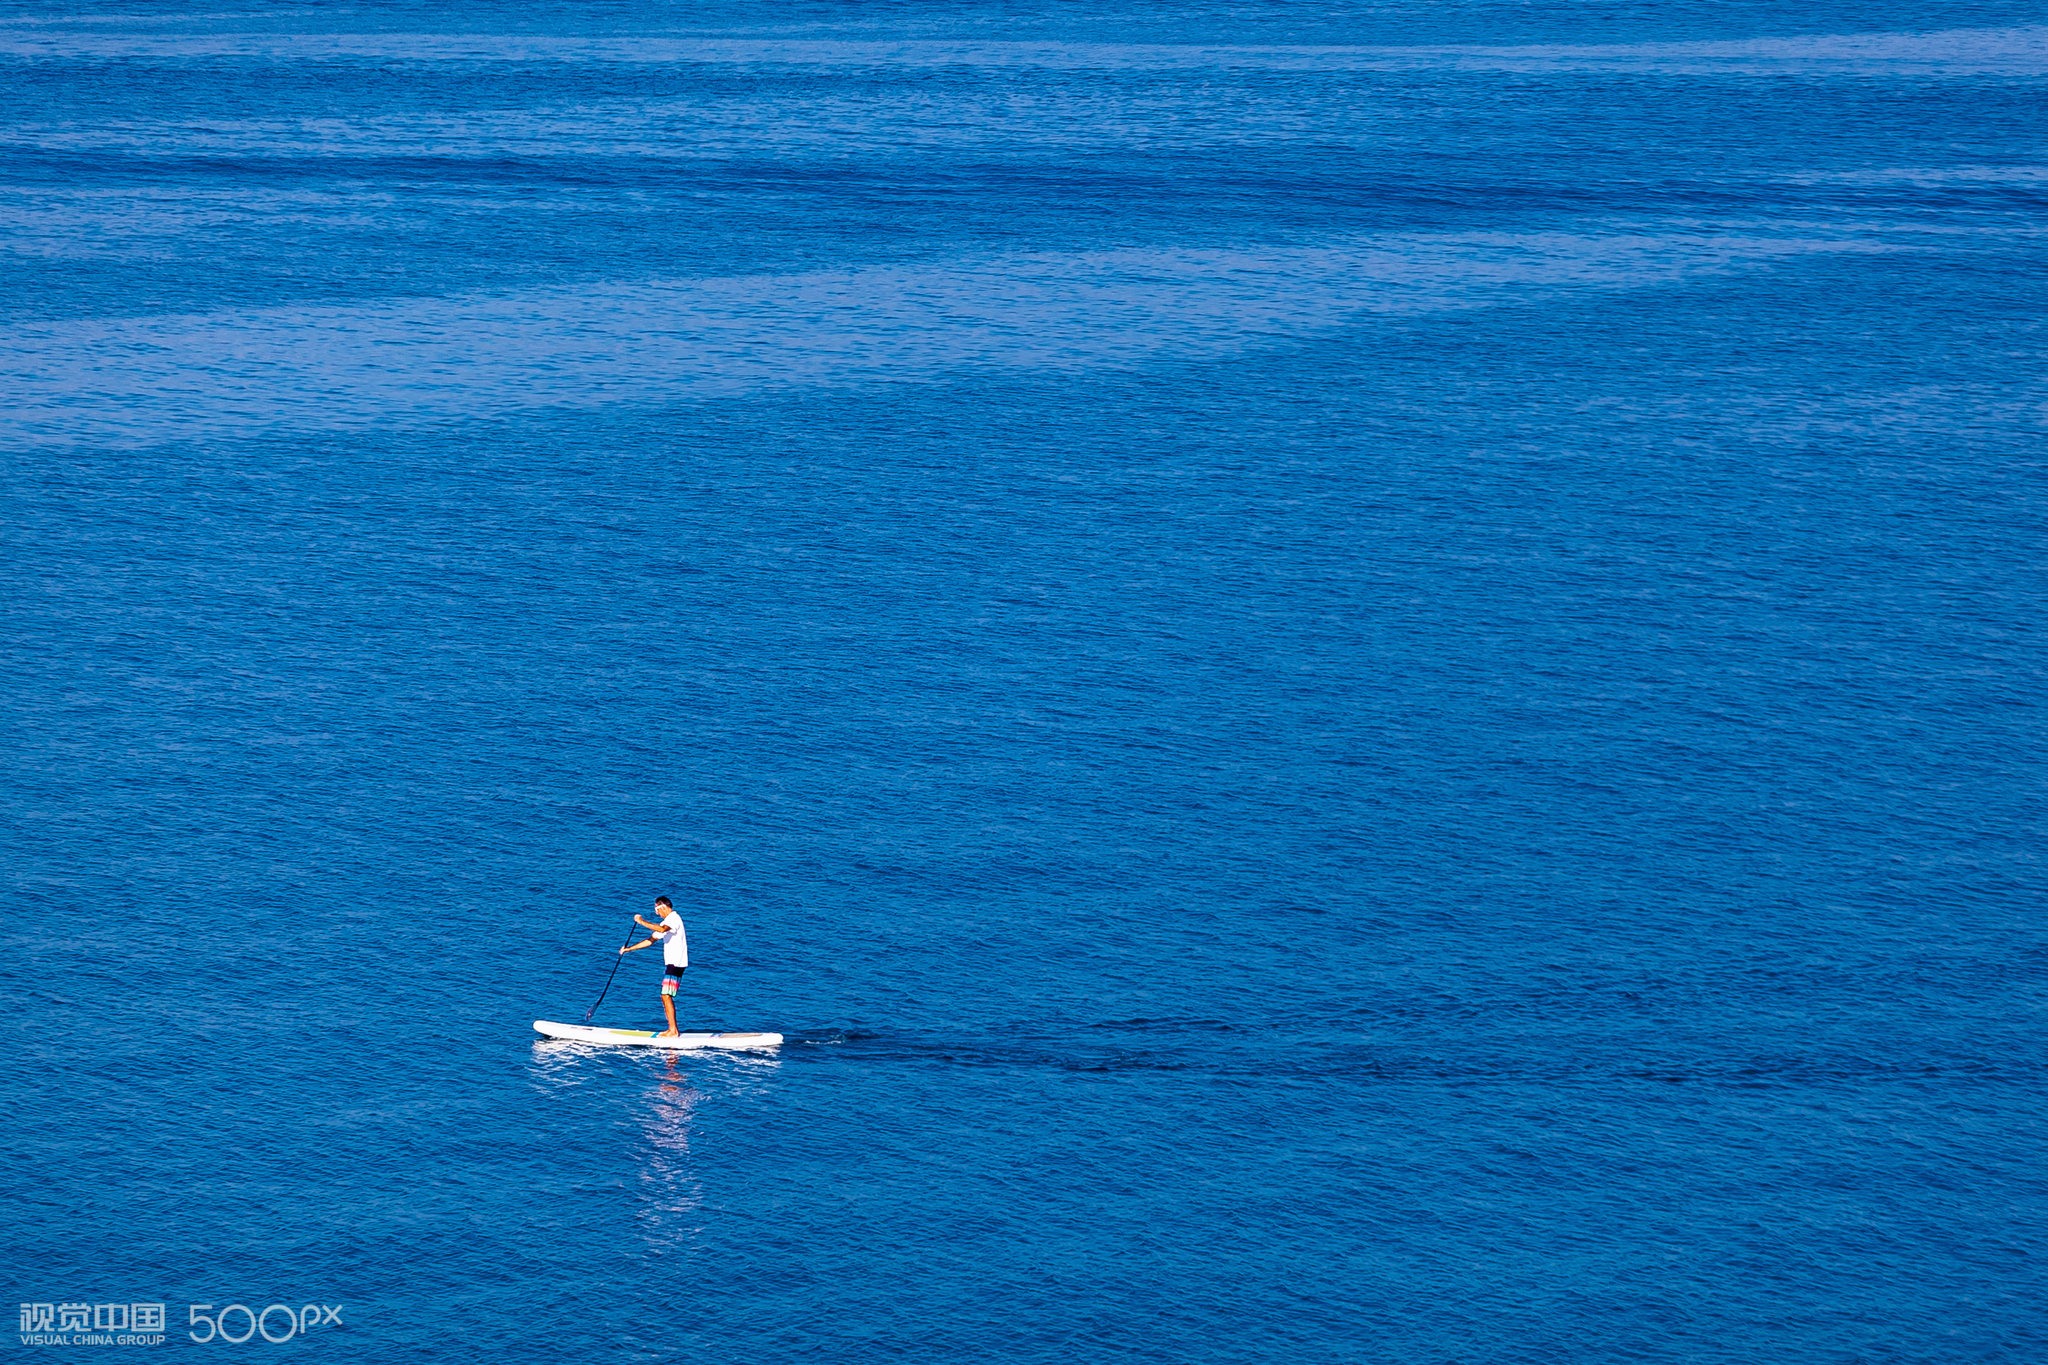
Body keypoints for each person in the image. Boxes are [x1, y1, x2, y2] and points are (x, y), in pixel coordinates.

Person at [618, 895, 689, 1037]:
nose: (656, 913)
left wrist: (641, 921)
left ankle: (673, 1030)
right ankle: (672, 1029)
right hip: (672, 963)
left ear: (663, 907)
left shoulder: (673, 919)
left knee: (666, 995)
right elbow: (650, 940)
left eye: (657, 910)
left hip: (676, 963)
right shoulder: (667, 922)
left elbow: (662, 929)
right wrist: (628, 949)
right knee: (666, 995)